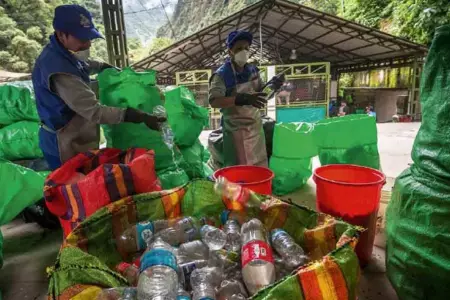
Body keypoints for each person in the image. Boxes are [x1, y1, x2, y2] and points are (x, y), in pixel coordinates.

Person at [32, 5, 165, 170]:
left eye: (89, 38)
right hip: (63, 143)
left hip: (77, 136)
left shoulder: (65, 54)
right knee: (72, 188)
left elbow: (82, 65)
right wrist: (137, 115)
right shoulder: (58, 70)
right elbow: (94, 111)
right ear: (61, 34)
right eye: (82, 39)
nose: (88, 44)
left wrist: (104, 67)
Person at [208, 30, 282, 167]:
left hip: (255, 127)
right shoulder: (222, 75)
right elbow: (214, 101)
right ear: (230, 51)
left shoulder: (253, 71)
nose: (244, 52)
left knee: (259, 165)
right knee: (241, 168)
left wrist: (273, 86)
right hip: (235, 131)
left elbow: (261, 96)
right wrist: (241, 98)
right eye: (239, 49)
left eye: (246, 48)